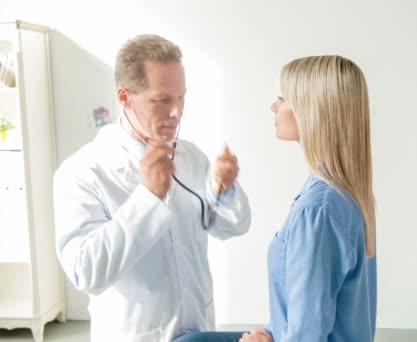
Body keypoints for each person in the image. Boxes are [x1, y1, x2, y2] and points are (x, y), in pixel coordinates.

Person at [53, 34, 251, 342]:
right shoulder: (82, 172)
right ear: (124, 97)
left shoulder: (190, 156)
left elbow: (231, 227)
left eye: (181, 97)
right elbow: (86, 272)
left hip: (198, 330)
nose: (177, 112)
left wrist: (223, 188)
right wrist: (148, 198)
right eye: (162, 100)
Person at [179, 55, 377, 342]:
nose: (273, 106)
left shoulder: (318, 211)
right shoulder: (347, 192)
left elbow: (308, 333)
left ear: (312, 111)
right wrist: (269, 333)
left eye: (282, 98)